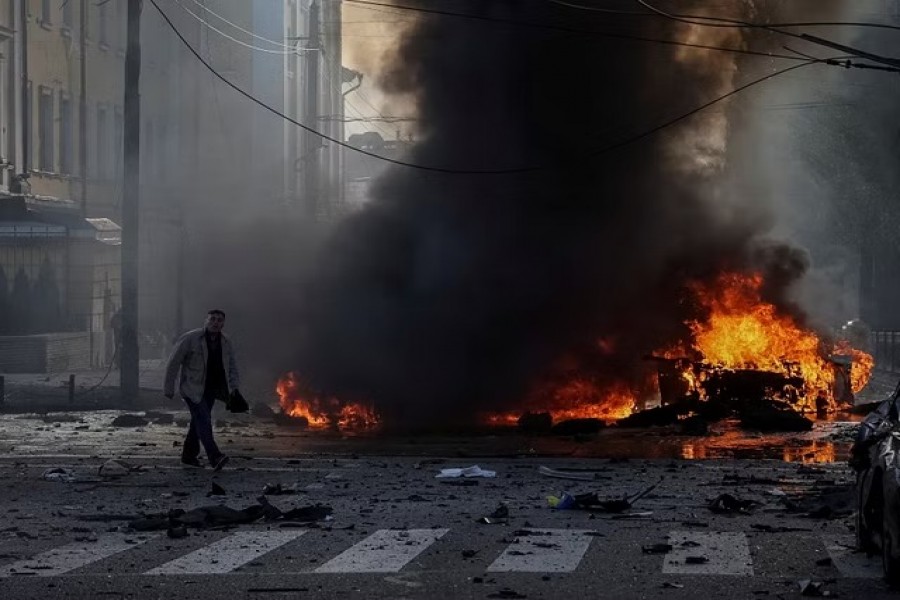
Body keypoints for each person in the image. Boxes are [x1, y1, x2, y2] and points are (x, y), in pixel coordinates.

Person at [164, 309, 240, 470]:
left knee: (198, 422)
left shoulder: (226, 342)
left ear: (223, 324)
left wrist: (234, 387)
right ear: (205, 321)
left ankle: (188, 456)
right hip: (192, 388)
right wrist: (169, 387)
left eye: (219, 320)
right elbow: (174, 362)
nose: (215, 323)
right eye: (212, 319)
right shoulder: (191, 338)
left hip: (211, 390)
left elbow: (232, 366)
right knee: (204, 420)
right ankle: (215, 456)